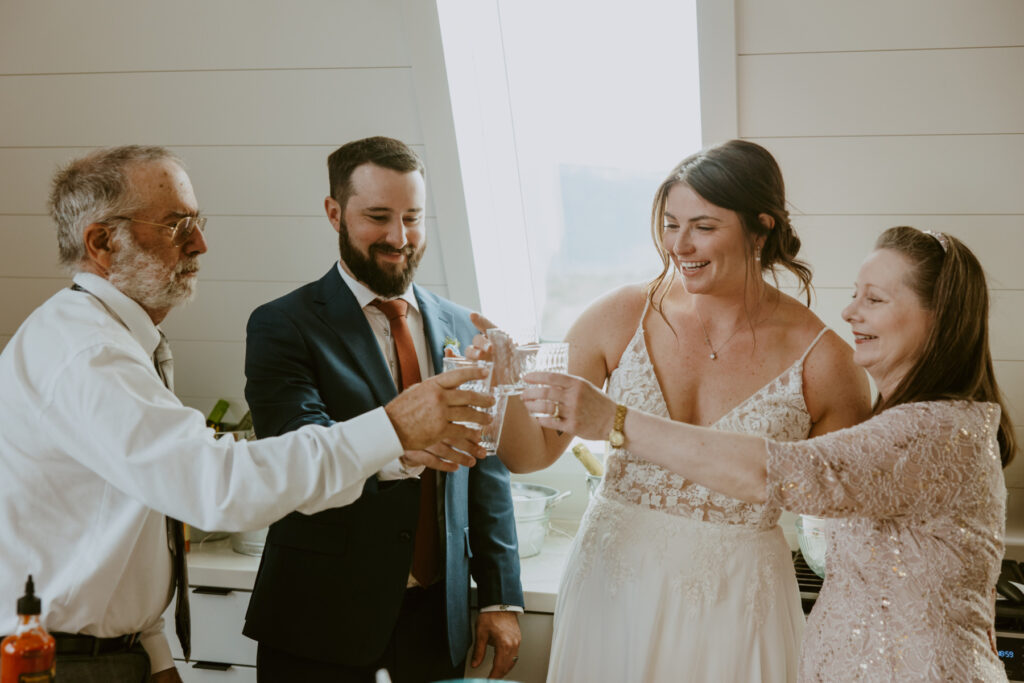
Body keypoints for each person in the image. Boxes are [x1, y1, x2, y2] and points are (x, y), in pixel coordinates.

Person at [0, 145, 494, 683]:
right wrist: (394, 426)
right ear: (101, 242)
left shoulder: (110, 341)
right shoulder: (86, 352)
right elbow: (217, 487)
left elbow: (122, 525)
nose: (201, 243)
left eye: (198, 221)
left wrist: (155, 653)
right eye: (177, 225)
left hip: (113, 654)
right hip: (56, 663)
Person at [525, 226, 1015, 681]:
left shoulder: (931, 432)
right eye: (854, 295)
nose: (850, 313)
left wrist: (616, 421)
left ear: (940, 317)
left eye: (875, 299)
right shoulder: (922, 423)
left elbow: (775, 472)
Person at [476, 139, 872, 682]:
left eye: (704, 226)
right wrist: (501, 384)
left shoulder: (826, 362)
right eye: (670, 224)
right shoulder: (620, 314)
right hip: (611, 588)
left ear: (762, 228)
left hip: (738, 604)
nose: (680, 245)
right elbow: (531, 455)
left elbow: (843, 533)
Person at [241, 136, 524, 683]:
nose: (400, 239)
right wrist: (406, 450)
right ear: (334, 213)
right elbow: (299, 451)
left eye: (413, 218)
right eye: (378, 217)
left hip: (437, 624)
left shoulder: (464, 325)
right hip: (319, 623)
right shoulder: (281, 326)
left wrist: (498, 597)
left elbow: (486, 464)